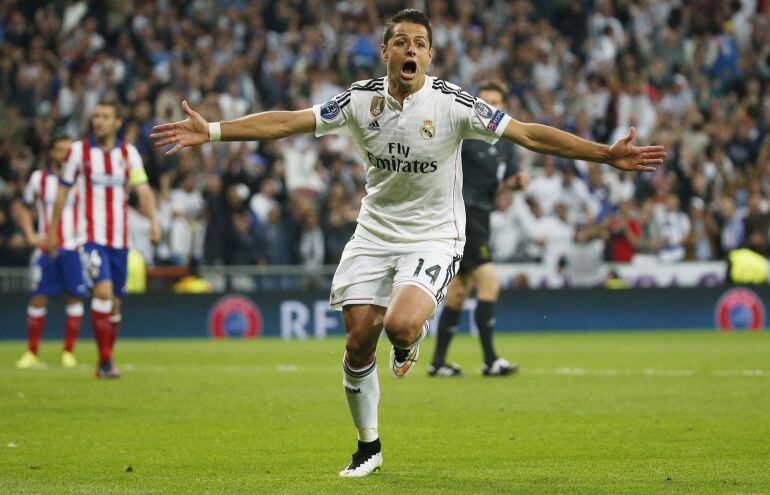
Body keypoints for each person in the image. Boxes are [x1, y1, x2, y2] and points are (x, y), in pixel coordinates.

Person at [150, 9, 665, 477]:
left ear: (430, 55)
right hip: (374, 232)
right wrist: (212, 131)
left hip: (434, 235)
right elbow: (289, 121)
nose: (410, 50)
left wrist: (604, 154)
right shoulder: (359, 100)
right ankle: (368, 446)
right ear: (385, 51)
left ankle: (410, 340)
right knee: (357, 343)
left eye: (419, 43)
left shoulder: (454, 104)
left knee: (399, 324)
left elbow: (528, 134)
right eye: (401, 42)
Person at [48, 101, 160, 378]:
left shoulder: (129, 153)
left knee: (115, 305)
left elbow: (143, 190)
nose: (98, 121)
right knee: (103, 292)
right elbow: (63, 190)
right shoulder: (79, 151)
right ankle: (107, 361)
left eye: (105, 116)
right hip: (91, 237)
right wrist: (52, 230)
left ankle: (104, 360)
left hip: (120, 240)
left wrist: (153, 222)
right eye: (96, 116)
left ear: (117, 122)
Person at [428, 79, 528, 378]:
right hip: (463, 215)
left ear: (504, 107)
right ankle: (490, 360)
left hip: (482, 216)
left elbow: (503, 182)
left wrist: (516, 183)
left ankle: (438, 363)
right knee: (489, 284)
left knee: (458, 292)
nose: (489, 108)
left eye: (495, 103)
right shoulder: (464, 136)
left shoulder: (506, 143)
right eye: (484, 103)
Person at [14, 136, 86, 369]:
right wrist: (29, 235)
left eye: (68, 151)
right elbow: (23, 208)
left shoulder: (81, 180)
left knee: (74, 297)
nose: (64, 155)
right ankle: (32, 352)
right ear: (52, 153)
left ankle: (68, 352)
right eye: (59, 150)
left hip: (74, 246)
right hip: (45, 247)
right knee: (38, 297)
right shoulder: (39, 179)